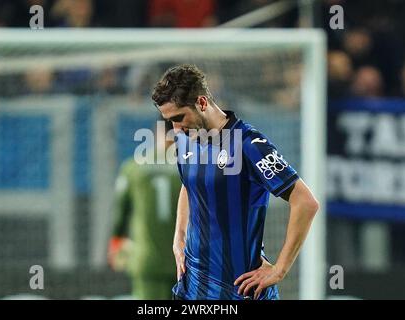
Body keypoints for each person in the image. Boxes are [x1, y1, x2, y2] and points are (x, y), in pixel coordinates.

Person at [151, 64, 319, 300]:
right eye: (169, 121)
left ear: (201, 103)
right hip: (192, 287)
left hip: (238, 290)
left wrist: (280, 270)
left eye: (179, 118)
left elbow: (306, 202)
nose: (175, 129)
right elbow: (190, 185)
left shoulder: (249, 144)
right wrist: (178, 236)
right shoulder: (186, 140)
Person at [108, 119, 181, 300]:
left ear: (156, 133)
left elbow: (120, 215)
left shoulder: (132, 168)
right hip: (185, 262)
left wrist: (116, 244)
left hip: (146, 260)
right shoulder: (193, 168)